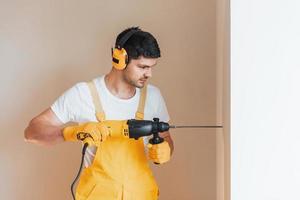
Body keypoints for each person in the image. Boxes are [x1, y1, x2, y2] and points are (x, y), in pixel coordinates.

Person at [24, 26, 174, 200]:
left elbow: (167, 138)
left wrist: (166, 149)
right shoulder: (84, 94)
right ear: (120, 59)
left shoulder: (153, 96)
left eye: (151, 67)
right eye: (142, 67)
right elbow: (32, 132)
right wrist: (72, 133)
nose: (149, 74)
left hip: (142, 194)